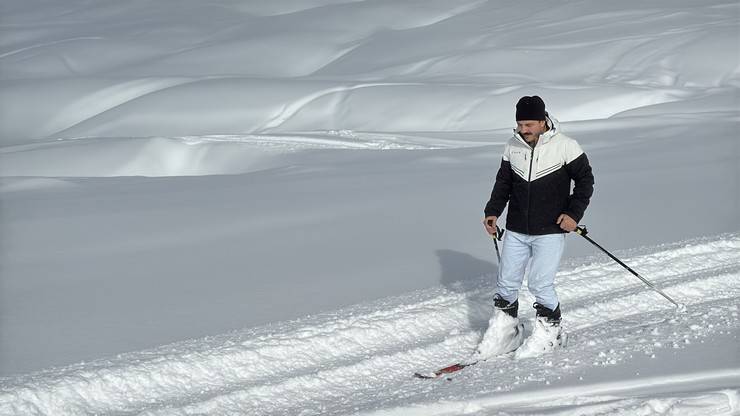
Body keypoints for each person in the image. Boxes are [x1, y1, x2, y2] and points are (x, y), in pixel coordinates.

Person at [475, 95, 594, 360]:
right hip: (517, 228)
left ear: (543, 122)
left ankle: (552, 333)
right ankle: (506, 333)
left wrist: (573, 214)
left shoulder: (565, 146)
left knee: (540, 283)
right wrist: (492, 212)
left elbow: (585, 182)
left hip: (550, 229)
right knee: (506, 283)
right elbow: (503, 184)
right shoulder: (512, 146)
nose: (524, 129)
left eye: (529, 124)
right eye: (520, 124)